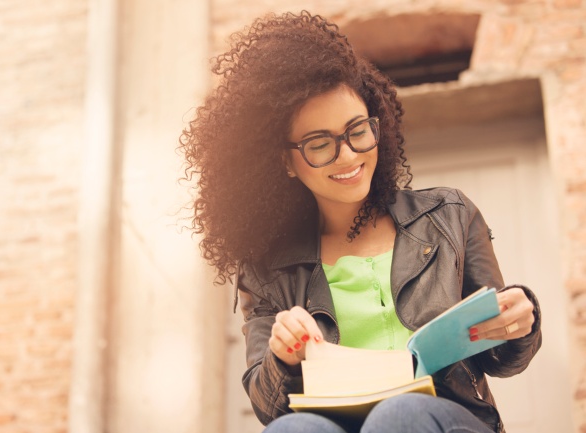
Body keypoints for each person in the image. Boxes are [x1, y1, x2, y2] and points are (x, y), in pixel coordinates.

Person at [179, 10, 541, 433]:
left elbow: (501, 359)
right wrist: (282, 357)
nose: (348, 155)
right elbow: (269, 408)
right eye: (319, 144)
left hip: (442, 420)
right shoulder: (266, 269)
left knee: (398, 415)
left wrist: (518, 324)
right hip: (336, 424)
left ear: (377, 125)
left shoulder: (449, 216)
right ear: (286, 162)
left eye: (357, 130)